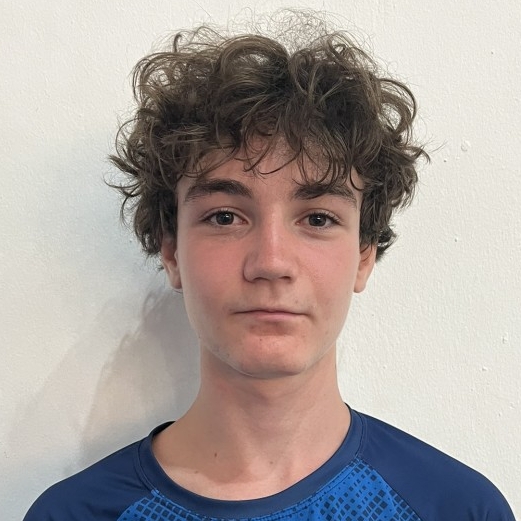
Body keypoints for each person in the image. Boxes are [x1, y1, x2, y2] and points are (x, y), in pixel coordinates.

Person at [24, 13, 515, 521]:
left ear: (363, 255)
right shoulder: (73, 514)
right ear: (171, 251)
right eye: (224, 216)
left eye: (318, 218)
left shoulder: (456, 508)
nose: (272, 262)